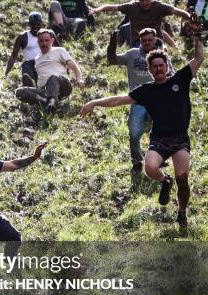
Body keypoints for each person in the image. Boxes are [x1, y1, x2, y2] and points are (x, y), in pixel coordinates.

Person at [80, 25, 203, 227]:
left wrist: (197, 35)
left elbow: (198, 58)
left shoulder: (180, 80)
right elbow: (118, 100)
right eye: (154, 67)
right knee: (150, 167)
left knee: (183, 177)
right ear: (150, 70)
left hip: (180, 139)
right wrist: (94, 102)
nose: (158, 69)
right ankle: (165, 181)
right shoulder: (146, 90)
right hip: (159, 139)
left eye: (161, 66)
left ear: (167, 66)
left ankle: (181, 212)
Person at [107, 27, 173, 171]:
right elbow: (113, 60)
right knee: (134, 132)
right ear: (140, 41)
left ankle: (158, 158)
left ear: (155, 40)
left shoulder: (161, 56)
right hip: (138, 101)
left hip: (158, 100)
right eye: (144, 40)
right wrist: (112, 44)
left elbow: (172, 76)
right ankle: (137, 162)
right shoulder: (132, 54)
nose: (147, 43)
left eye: (150, 40)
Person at [15, 29, 85, 112]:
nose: (44, 43)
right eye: (41, 41)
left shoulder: (59, 51)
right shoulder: (37, 59)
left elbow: (74, 66)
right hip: (45, 90)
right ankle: (46, 101)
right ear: (38, 42)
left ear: (52, 40)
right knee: (20, 91)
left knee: (53, 77)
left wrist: (79, 79)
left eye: (46, 40)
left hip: (62, 85)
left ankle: (52, 102)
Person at [89, 0, 191, 47]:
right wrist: (97, 9)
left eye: (147, 0)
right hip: (138, 42)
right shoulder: (132, 6)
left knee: (162, 61)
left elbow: (178, 11)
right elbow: (112, 7)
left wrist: (191, 18)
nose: (144, 3)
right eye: (142, 0)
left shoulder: (159, 6)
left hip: (157, 42)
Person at [5, 12, 53, 85]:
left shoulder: (48, 34)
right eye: (33, 24)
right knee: (26, 64)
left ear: (41, 23)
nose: (35, 27)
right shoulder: (23, 37)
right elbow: (13, 56)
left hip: (44, 63)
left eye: (37, 24)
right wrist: (6, 73)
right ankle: (30, 83)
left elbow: (58, 50)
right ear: (29, 24)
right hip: (30, 66)